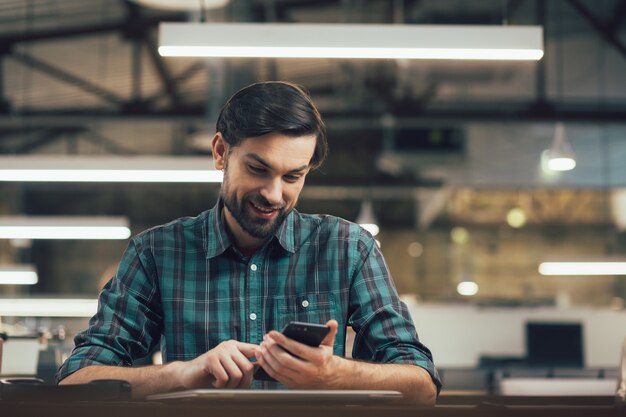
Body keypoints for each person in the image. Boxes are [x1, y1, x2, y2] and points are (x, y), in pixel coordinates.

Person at [56, 81, 441, 405]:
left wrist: (334, 375)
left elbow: (422, 385)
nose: (274, 194)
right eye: (258, 169)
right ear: (221, 152)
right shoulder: (156, 253)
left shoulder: (348, 248)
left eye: (293, 176)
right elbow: (75, 381)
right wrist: (187, 373)